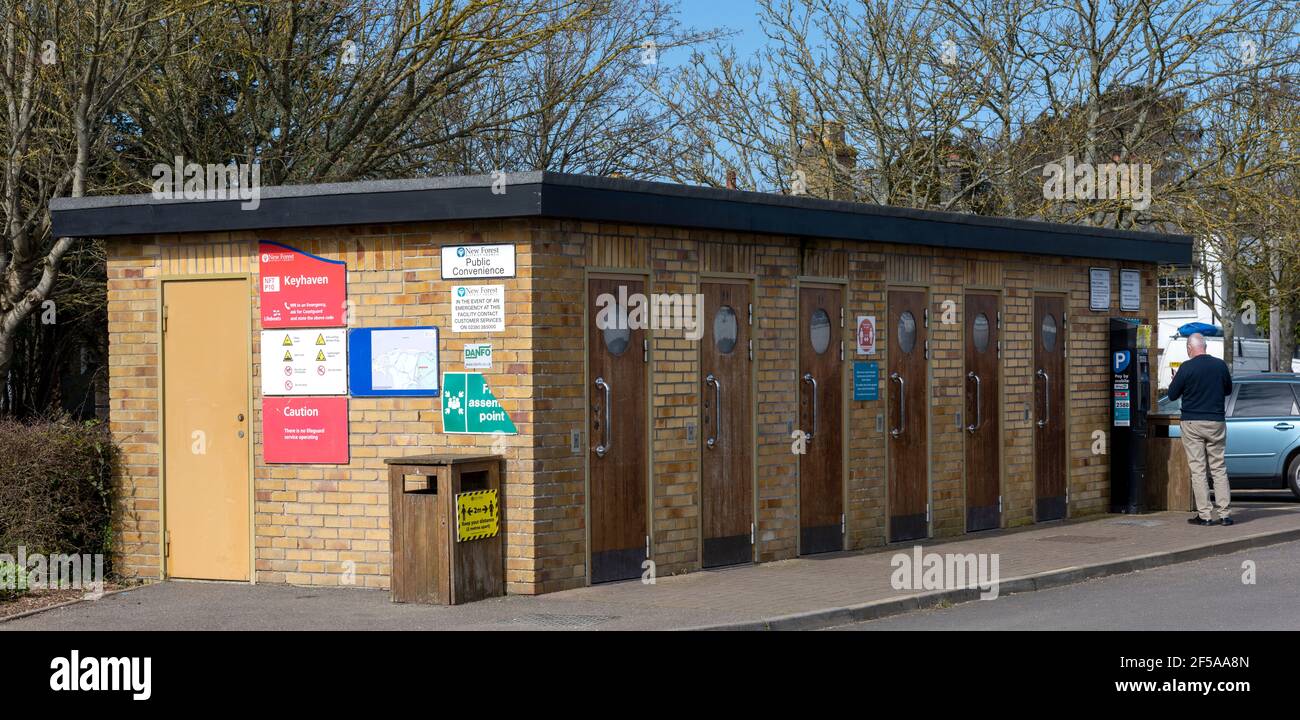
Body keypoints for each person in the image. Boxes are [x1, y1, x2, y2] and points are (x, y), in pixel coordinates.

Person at [1166, 333, 1234, 526]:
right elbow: (1228, 390)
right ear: (1205, 346)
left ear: (1189, 348)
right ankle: (1225, 514)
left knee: (1198, 470)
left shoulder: (1186, 368)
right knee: (1219, 468)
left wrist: (1176, 381)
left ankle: (1205, 515)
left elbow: (1171, 395)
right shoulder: (1220, 365)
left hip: (1192, 422)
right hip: (1216, 422)